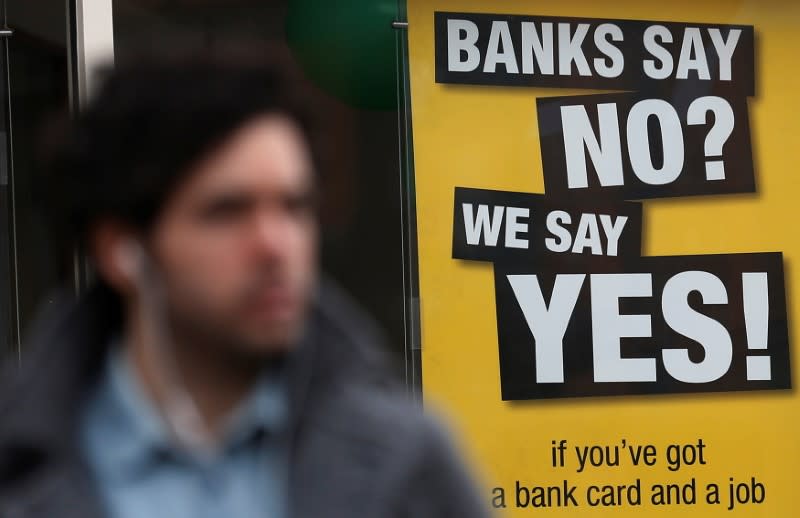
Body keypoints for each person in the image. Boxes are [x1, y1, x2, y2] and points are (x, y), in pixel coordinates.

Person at [0, 48, 488, 518]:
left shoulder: (405, 464)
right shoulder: (24, 473)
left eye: (294, 207)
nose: (275, 245)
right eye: (227, 211)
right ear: (120, 249)